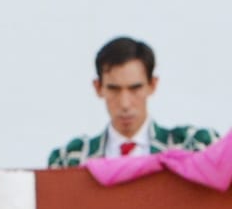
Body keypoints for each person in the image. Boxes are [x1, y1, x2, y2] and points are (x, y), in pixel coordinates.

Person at [48, 36, 219, 167]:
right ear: (98, 87)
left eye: (135, 88)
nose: (125, 104)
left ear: (152, 85)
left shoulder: (193, 145)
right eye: (114, 89)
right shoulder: (69, 159)